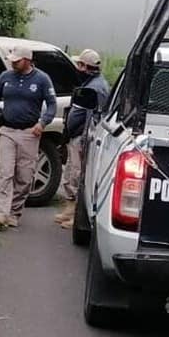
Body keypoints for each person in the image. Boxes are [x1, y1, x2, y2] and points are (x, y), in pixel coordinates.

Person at [0, 46, 57, 230]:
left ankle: (14, 212)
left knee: (24, 177)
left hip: (29, 133)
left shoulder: (42, 79)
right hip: (8, 130)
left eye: (16, 60)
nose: (13, 63)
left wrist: (42, 123)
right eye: (12, 60)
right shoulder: (5, 77)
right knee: (5, 172)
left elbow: (51, 105)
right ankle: (1, 211)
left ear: (27, 60)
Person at [56, 49, 111, 229]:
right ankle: (70, 210)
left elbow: (94, 117)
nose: (77, 68)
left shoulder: (95, 88)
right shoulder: (90, 84)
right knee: (71, 172)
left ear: (86, 67)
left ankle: (78, 217)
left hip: (83, 137)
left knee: (79, 176)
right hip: (76, 135)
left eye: (80, 65)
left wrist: (82, 137)